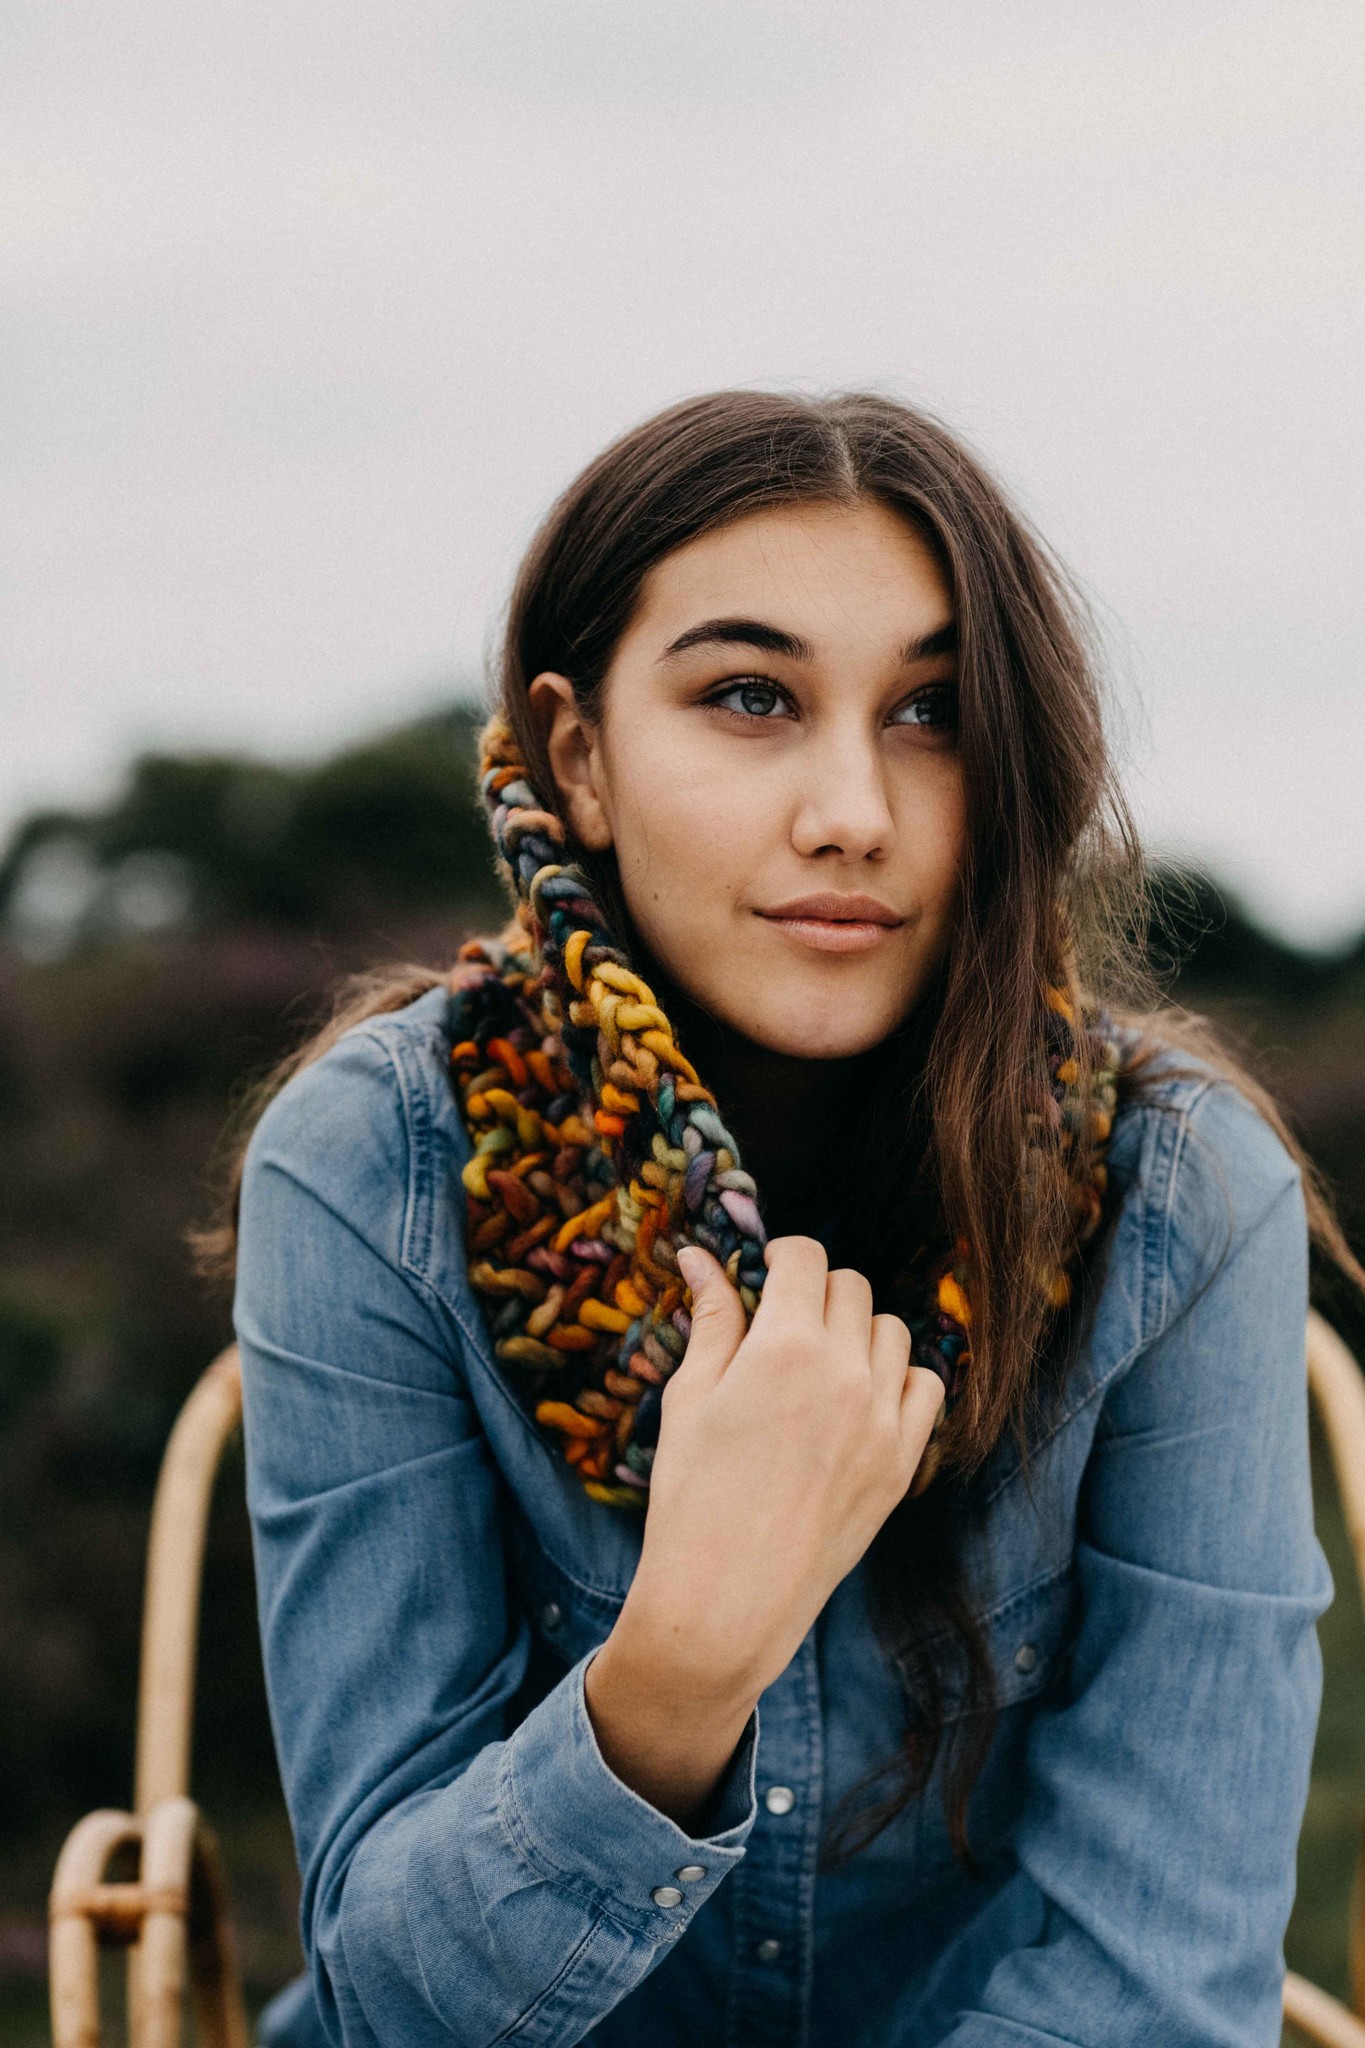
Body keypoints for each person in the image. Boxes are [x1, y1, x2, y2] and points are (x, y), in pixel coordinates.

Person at [213, 389, 1360, 2047]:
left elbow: (1152, 1990)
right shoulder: (372, 1168)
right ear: (579, 758)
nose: (852, 811)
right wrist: (681, 1658)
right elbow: (393, 2000)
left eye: (932, 712)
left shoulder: (1178, 1201)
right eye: (749, 698)